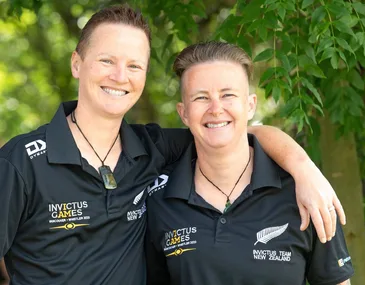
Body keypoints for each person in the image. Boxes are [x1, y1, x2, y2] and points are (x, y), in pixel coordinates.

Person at [0, 5, 344, 285]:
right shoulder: (20, 162)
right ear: (77, 63)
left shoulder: (152, 150)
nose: (120, 75)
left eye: (134, 65)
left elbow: (232, 131)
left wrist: (304, 168)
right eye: (107, 60)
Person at [146, 42, 353, 285]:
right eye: (201, 97)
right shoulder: (159, 199)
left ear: (251, 105)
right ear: (183, 113)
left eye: (228, 95)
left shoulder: (305, 191)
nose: (216, 109)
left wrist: (302, 167)